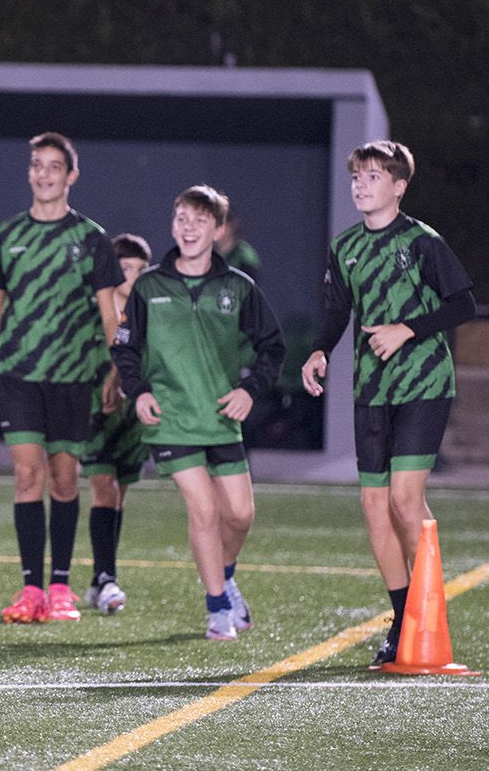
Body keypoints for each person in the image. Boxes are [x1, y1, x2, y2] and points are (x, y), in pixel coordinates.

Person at [300, 140, 475, 667]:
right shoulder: (345, 245)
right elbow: (337, 309)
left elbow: (464, 303)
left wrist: (406, 329)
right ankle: (403, 622)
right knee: (375, 506)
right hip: (371, 390)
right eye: (357, 176)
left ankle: (429, 617)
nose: (361, 184)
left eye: (373, 177)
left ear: (399, 187)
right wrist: (317, 350)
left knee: (404, 499)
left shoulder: (422, 242)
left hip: (423, 384)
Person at [0, 133, 120, 625]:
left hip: (73, 376)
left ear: (71, 176)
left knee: (65, 480)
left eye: (54, 166)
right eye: (36, 165)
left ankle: (61, 587)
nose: (44, 174)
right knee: (28, 474)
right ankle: (30, 588)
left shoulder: (91, 239)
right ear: (29, 173)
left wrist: (117, 368)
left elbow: (110, 313)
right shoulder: (7, 236)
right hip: (19, 373)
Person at [110, 185, 283, 640]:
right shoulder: (149, 285)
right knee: (203, 510)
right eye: (181, 218)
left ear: (218, 230)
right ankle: (216, 608)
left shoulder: (237, 287)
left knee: (241, 515)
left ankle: (225, 577)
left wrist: (249, 389)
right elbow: (125, 349)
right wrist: (140, 391)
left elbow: (273, 348)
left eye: (199, 220)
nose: (188, 228)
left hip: (221, 417)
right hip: (171, 418)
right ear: (173, 225)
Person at [78, 232, 154, 615]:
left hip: (132, 415)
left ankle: (99, 578)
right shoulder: (95, 309)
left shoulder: (147, 312)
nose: (133, 276)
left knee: (119, 495)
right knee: (104, 489)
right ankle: (108, 579)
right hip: (95, 408)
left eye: (141, 270)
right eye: (126, 268)